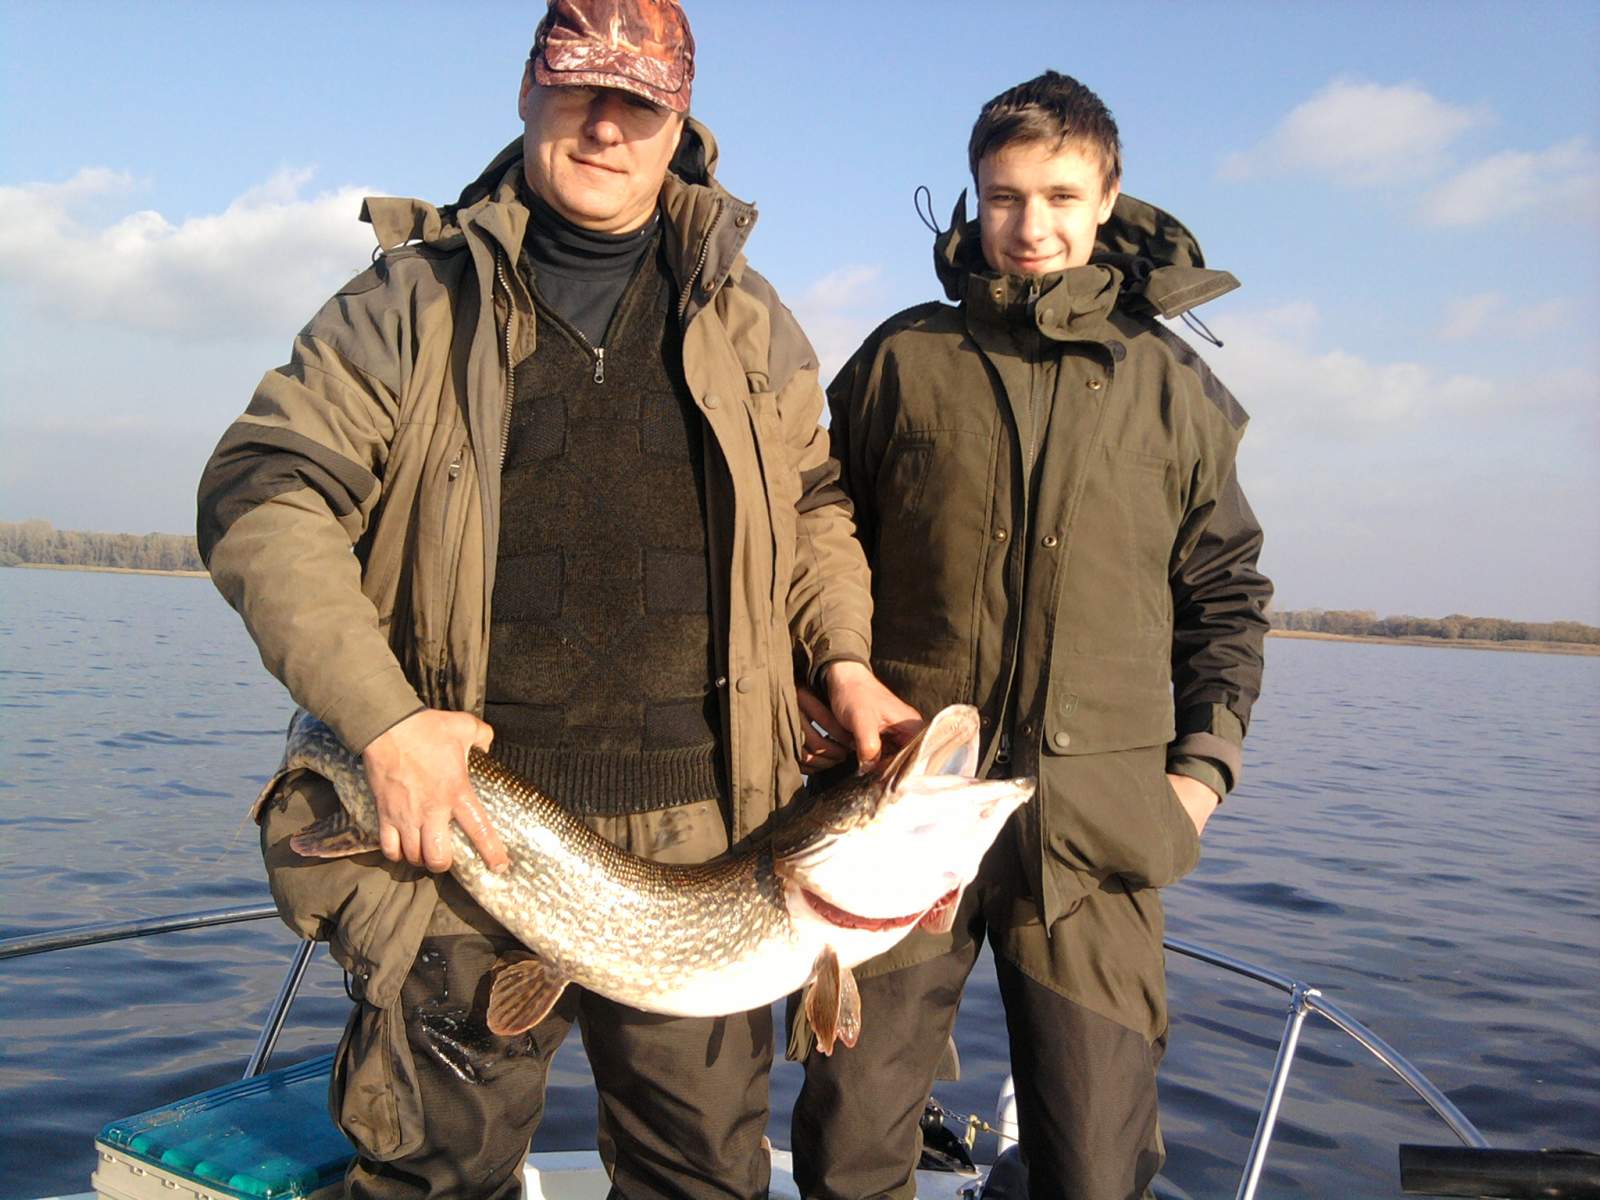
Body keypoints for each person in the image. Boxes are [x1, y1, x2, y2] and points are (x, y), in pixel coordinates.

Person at [196, 2, 913, 1197]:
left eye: (638, 101)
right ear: (530, 88)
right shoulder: (409, 302)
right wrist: (384, 723)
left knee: (700, 1181)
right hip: (463, 826)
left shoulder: (748, 319)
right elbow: (265, 491)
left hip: (708, 844)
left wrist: (841, 659)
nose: (605, 126)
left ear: (680, 120)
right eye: (580, 88)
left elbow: (811, 506)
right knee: (434, 1178)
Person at [790, 71, 1273, 1200]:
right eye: (1004, 196)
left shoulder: (1177, 389)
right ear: (975, 197)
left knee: (1097, 1165)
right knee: (851, 1143)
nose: (1030, 225)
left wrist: (1198, 778)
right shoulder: (901, 361)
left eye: (1059, 196)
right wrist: (820, 679)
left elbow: (1226, 596)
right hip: (898, 807)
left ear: (1106, 197)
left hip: (1096, 834)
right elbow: (814, 538)